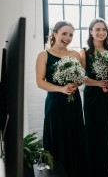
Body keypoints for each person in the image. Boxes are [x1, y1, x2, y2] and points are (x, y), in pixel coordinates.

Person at [35, 21, 87, 177]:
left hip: (74, 102)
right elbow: (40, 82)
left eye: (71, 34)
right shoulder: (43, 55)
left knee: (75, 137)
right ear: (55, 33)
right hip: (55, 104)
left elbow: (81, 78)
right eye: (64, 33)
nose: (68, 37)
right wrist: (61, 89)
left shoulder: (75, 55)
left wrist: (75, 84)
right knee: (57, 138)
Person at [79, 18, 108, 177]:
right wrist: (98, 83)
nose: (101, 32)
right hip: (92, 97)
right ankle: (93, 169)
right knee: (93, 131)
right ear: (91, 32)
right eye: (98, 29)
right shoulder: (84, 53)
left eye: (104, 30)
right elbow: (80, 77)